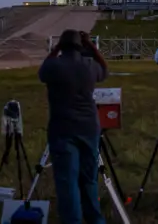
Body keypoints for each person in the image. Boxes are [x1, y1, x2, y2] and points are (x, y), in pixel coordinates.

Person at [39, 29, 109, 224]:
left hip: (63, 129)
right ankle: (95, 219)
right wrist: (92, 46)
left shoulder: (55, 65)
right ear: (81, 46)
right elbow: (105, 69)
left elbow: (42, 72)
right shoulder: (89, 65)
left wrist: (56, 48)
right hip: (89, 128)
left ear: (62, 45)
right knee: (89, 179)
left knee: (67, 181)